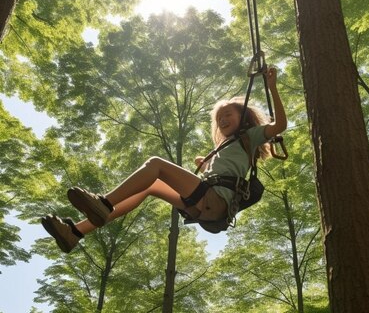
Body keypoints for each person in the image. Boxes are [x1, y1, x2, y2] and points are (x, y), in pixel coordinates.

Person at [41, 66, 286, 253]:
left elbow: (280, 125)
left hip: (215, 201)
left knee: (156, 164)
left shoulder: (250, 136)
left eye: (228, 115)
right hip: (204, 205)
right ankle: (75, 232)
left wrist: (272, 87)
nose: (222, 120)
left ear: (242, 117)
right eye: (219, 118)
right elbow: (220, 172)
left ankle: (103, 204)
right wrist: (206, 166)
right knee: (149, 187)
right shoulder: (223, 147)